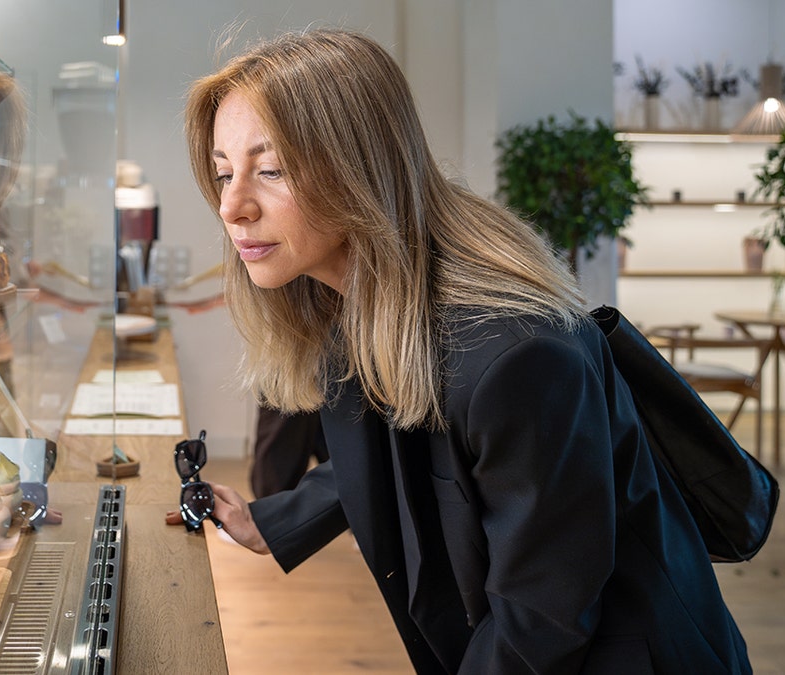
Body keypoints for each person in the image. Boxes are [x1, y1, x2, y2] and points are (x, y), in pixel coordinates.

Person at [172, 28, 751, 674]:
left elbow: (542, 622)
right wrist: (271, 521)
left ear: (359, 165)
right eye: (224, 173)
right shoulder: (366, 299)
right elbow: (392, 440)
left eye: (269, 169)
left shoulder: (517, 354)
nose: (231, 205)